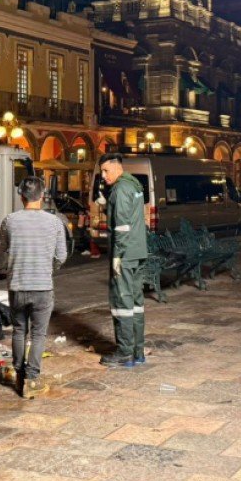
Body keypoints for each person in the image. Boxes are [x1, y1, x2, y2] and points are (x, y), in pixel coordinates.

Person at [0, 176, 67, 398]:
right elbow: (61, 255)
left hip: (17, 285)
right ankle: (32, 378)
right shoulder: (54, 222)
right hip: (43, 287)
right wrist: (49, 268)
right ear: (43, 195)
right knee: (38, 334)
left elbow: (3, 247)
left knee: (19, 330)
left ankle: (18, 374)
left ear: (21, 196)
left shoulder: (10, 221)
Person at [98, 153, 148, 368]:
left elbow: (122, 226)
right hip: (138, 251)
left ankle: (124, 352)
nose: (103, 175)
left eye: (106, 171)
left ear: (117, 168)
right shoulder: (134, 185)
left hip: (125, 255)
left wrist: (117, 255)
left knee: (122, 303)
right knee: (136, 303)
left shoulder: (120, 189)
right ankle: (138, 351)